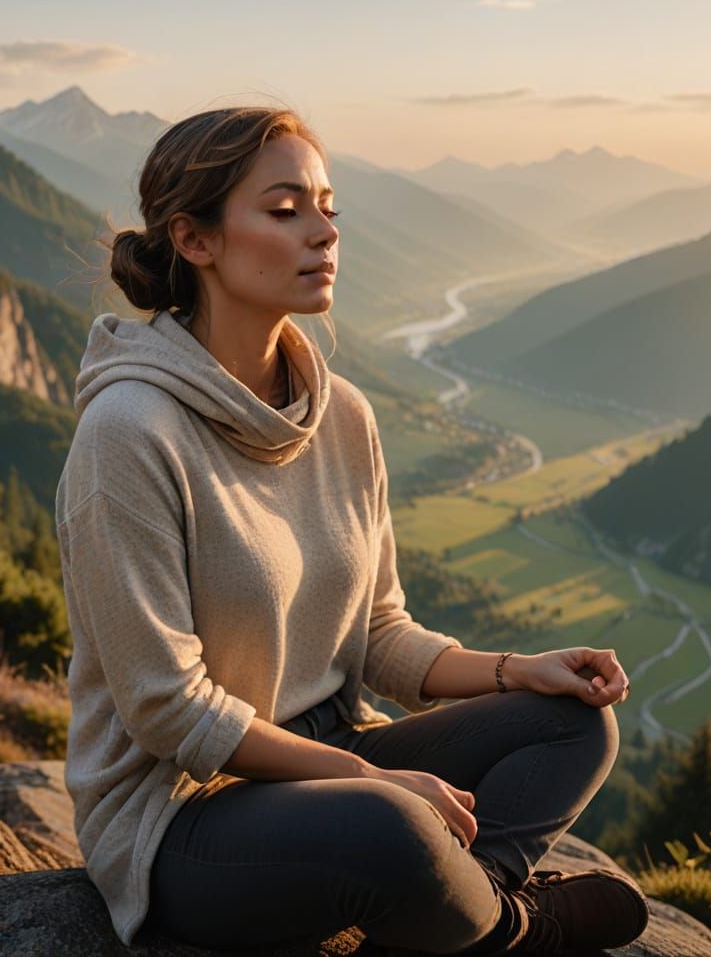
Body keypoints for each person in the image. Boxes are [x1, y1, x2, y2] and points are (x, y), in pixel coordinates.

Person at [54, 105, 649, 955]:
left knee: (572, 722)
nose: (324, 231)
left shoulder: (342, 416)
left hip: (333, 754)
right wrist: (372, 779)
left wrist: (520, 670)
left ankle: (465, 908)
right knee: (390, 828)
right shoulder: (129, 432)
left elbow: (379, 633)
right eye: (285, 209)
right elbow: (168, 714)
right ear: (195, 240)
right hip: (184, 815)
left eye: (328, 206)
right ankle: (513, 927)